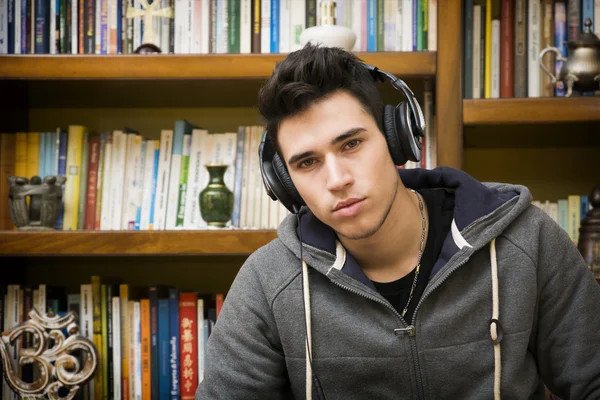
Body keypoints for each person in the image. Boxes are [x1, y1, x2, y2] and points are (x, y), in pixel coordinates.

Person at [196, 44, 600, 400]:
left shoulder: (526, 240)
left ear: (396, 140)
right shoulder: (268, 282)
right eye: (307, 162)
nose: (337, 180)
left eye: (351, 144)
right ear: (286, 183)